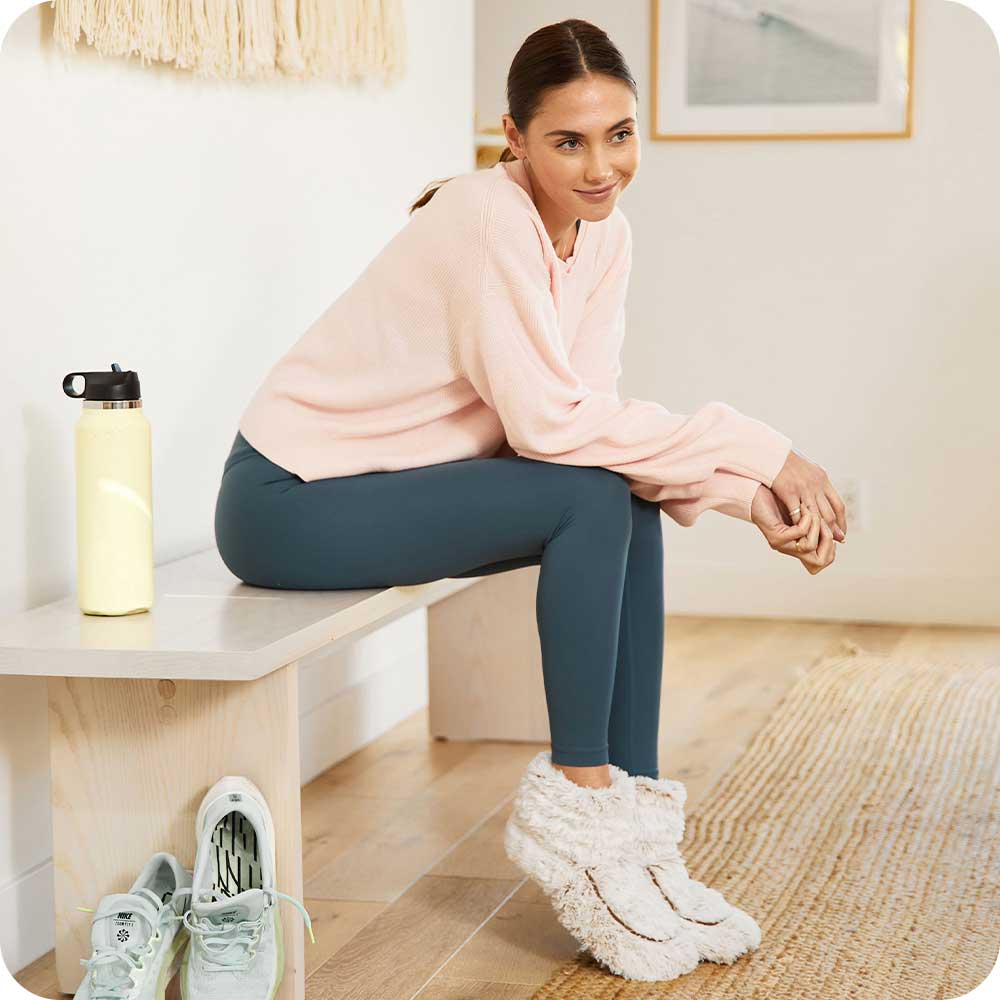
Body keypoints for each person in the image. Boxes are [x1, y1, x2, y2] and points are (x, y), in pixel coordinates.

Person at [215, 17, 845, 980]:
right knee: (588, 499)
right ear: (512, 137)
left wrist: (738, 494)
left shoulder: (603, 234)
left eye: (620, 134)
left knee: (618, 496)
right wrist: (764, 451)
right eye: (568, 140)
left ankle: (632, 824)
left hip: (397, 487)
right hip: (290, 499)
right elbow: (552, 430)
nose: (602, 166)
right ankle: (579, 814)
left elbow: (585, 421)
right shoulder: (483, 216)